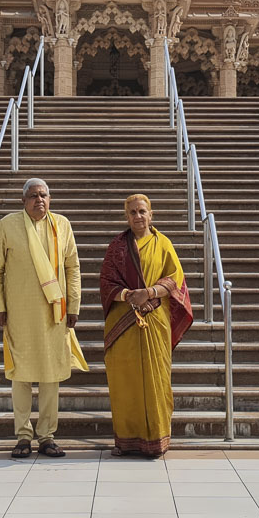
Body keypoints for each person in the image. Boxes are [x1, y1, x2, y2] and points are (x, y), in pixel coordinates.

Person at [0, 178, 86, 459]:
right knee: (20, 375)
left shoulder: (62, 225)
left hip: (54, 312)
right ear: (23, 201)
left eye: (43, 195)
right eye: (33, 196)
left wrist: (74, 305)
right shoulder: (8, 225)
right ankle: (22, 436)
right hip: (18, 313)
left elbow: (73, 267)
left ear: (50, 199)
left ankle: (47, 436)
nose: (38, 200)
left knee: (51, 376)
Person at [99, 194, 193, 457]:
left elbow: (176, 278)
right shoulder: (116, 247)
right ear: (126, 216)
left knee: (157, 380)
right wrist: (128, 295)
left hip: (155, 320)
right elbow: (106, 282)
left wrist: (150, 292)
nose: (137, 216)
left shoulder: (163, 244)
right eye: (132, 212)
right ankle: (126, 441)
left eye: (142, 211)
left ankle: (157, 440)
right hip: (123, 322)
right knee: (124, 383)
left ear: (151, 214)